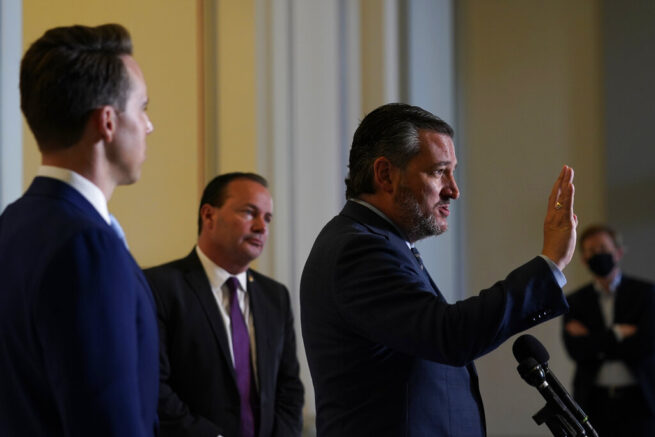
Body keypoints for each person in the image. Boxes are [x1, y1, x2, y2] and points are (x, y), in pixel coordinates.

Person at [300, 103, 578, 436]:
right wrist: (550, 264)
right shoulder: (357, 249)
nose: (454, 190)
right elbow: (449, 334)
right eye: (438, 171)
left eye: (453, 171)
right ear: (385, 174)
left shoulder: (383, 243)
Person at [0, 24, 157, 436]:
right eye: (142, 107)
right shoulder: (87, 246)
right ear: (107, 122)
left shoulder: (12, 224)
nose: (148, 125)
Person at [144, 172, 304, 437]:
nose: (261, 227)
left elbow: (289, 388)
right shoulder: (159, 287)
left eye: (267, 218)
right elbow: (155, 387)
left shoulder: (275, 296)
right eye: (249, 213)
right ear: (209, 216)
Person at [563, 224, 655, 436]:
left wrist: (593, 341)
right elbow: (576, 350)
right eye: (591, 251)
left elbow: (646, 344)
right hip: (593, 404)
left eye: (603, 249)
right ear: (584, 258)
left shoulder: (645, 293)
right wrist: (619, 333)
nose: (598, 255)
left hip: (641, 401)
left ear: (618, 252)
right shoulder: (574, 301)